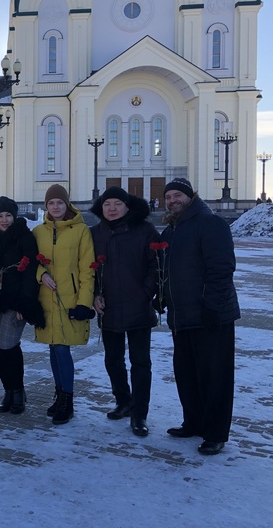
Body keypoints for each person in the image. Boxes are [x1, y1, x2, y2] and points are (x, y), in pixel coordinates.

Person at [160, 178, 239, 455]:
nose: (172, 200)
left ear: (190, 196)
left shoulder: (210, 223)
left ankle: (215, 433)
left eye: (177, 195)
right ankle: (193, 422)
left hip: (210, 315)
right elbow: (165, 273)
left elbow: (222, 268)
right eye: (168, 197)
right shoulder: (171, 231)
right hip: (181, 317)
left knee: (214, 376)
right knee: (187, 373)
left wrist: (213, 308)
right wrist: (162, 298)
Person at [90, 187, 160, 437]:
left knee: (140, 363)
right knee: (113, 360)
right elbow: (88, 270)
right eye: (107, 203)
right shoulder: (95, 233)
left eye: (117, 203)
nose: (111, 208)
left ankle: (140, 414)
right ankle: (123, 401)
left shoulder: (144, 230)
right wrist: (94, 296)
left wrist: (145, 293)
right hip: (109, 309)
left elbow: (156, 265)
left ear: (127, 206)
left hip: (138, 308)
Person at [33, 184, 95, 425]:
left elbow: (87, 270)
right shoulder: (38, 231)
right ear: (46, 206)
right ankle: (59, 395)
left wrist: (83, 303)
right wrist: (41, 274)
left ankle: (67, 400)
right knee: (52, 347)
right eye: (51, 203)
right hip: (46, 298)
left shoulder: (81, 231)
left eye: (60, 202)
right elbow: (30, 261)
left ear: (67, 204)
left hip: (69, 299)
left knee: (61, 349)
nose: (56, 207)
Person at [0, 196, 44, 414]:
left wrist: (25, 303)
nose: (4, 220)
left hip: (15, 301)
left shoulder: (24, 237)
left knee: (9, 345)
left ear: (14, 216)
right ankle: (8, 391)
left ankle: (18, 391)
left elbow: (31, 270)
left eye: (8, 215)